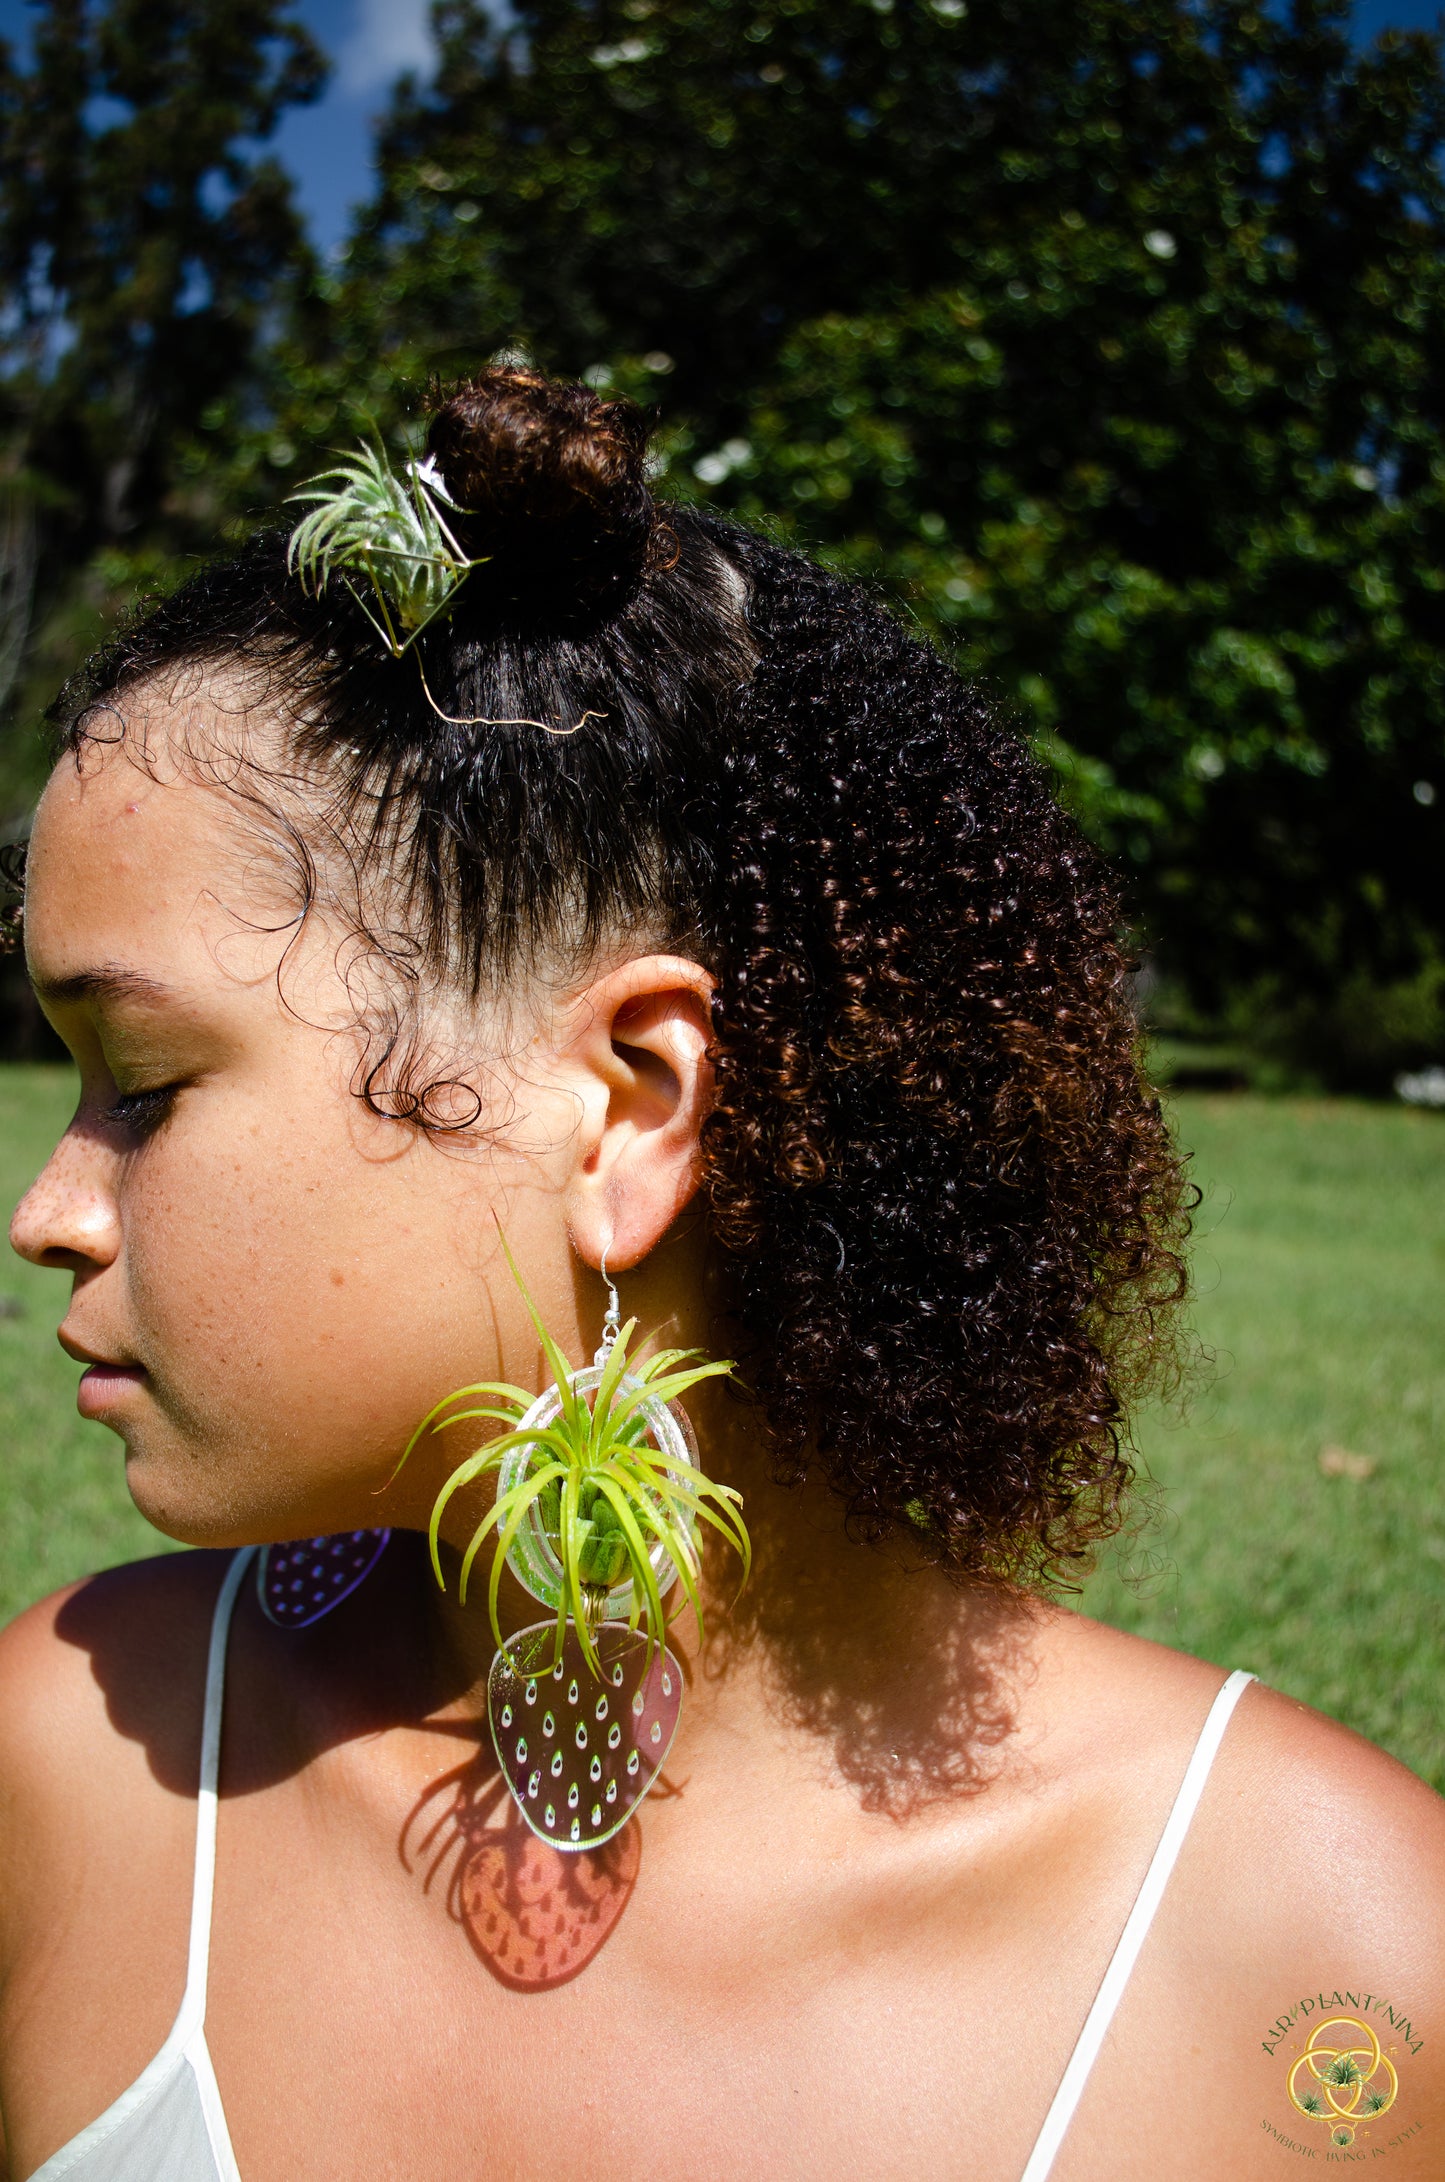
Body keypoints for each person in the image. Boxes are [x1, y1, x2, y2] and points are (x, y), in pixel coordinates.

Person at [0, 368, 1440, 2182]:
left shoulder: (1322, 1953)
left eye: (140, 1082)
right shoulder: (68, 1760)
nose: (53, 1204)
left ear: (624, 1107)